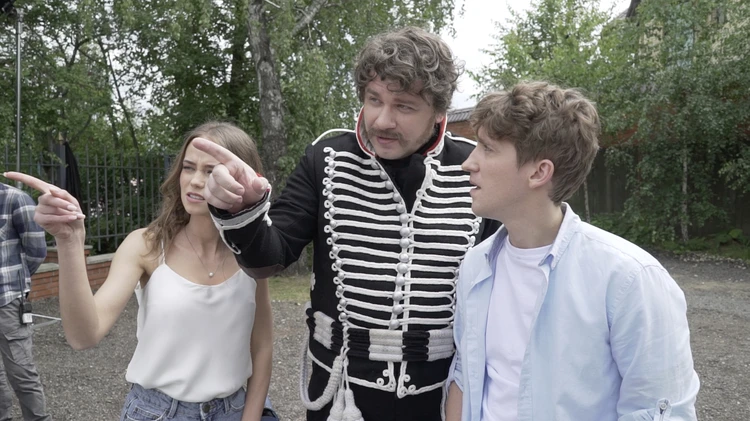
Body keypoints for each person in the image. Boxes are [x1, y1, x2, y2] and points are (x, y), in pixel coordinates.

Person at [192, 27, 500, 421]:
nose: (382, 120)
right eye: (374, 100)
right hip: (342, 397)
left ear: (439, 111)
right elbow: (269, 257)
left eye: (404, 106)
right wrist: (242, 211)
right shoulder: (326, 158)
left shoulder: (473, 168)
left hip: (438, 400)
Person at [445, 82, 700, 421]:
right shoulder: (476, 265)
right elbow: (466, 375)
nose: (468, 163)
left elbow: (659, 411)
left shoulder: (629, 280)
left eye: (488, 149)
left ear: (539, 172)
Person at [4, 121, 274, 421]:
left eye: (211, 171)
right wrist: (70, 241)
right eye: (188, 167)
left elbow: (262, 346)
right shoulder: (146, 245)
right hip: (157, 413)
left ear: (240, 178)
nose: (196, 181)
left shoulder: (254, 250)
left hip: (232, 411)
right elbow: (84, 335)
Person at [0, 182, 50, 421]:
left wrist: (14, 281)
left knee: (22, 374)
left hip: (7, 301)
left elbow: (37, 251)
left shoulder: (15, 199)